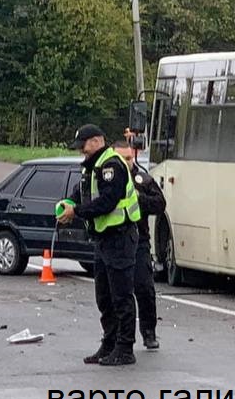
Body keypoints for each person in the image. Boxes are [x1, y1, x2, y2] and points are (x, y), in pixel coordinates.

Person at [58, 124, 141, 367]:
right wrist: (68, 203)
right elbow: (81, 192)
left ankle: (125, 348)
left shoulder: (112, 165)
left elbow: (107, 201)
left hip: (120, 237)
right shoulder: (93, 166)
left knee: (122, 296)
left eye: (83, 146)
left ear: (96, 141)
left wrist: (77, 212)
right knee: (104, 297)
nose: (81, 152)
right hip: (103, 239)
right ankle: (109, 342)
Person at [115, 139, 166, 351]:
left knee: (144, 287)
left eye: (129, 158)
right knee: (117, 292)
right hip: (115, 241)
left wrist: (139, 197)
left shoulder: (141, 179)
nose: (127, 162)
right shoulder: (107, 178)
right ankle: (118, 335)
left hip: (139, 241)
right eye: (122, 158)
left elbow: (160, 204)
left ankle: (149, 331)